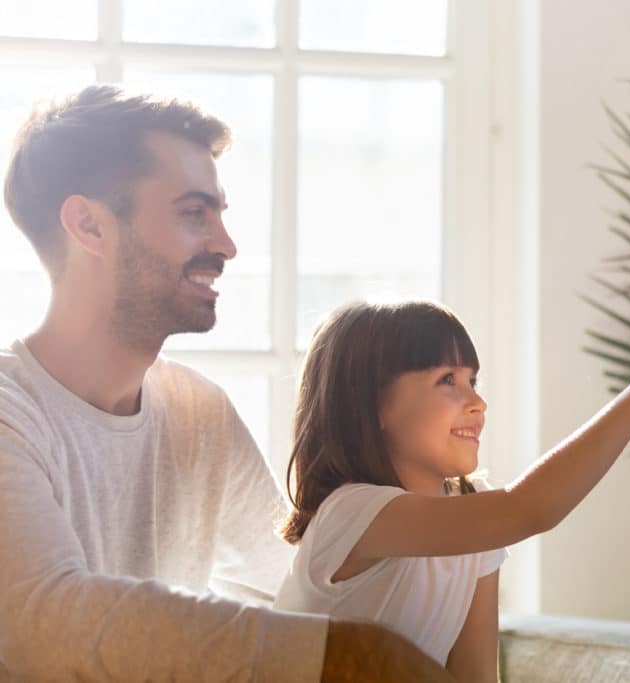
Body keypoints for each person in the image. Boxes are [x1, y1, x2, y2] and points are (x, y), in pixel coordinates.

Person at [0, 84, 451, 682]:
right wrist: (353, 656)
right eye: (193, 213)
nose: (226, 245)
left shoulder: (198, 412)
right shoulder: (13, 414)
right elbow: (45, 623)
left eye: (219, 213)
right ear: (89, 225)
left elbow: (286, 595)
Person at [274, 265, 630, 682]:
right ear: (374, 405)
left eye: (473, 380)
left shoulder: (472, 512)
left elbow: (475, 675)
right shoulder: (353, 512)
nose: (477, 402)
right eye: (447, 380)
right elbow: (530, 509)